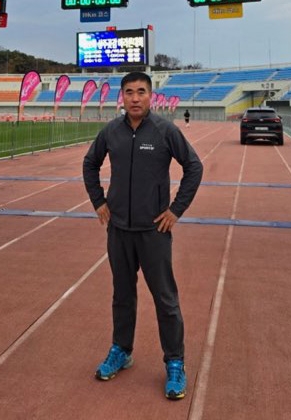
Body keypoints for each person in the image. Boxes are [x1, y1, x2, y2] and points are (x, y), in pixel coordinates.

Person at [83, 72, 203, 400]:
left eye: (141, 92)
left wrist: (176, 209)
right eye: (129, 92)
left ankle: (175, 362)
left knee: (165, 299)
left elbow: (194, 167)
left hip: (154, 231)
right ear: (121, 97)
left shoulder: (165, 131)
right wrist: (99, 201)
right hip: (119, 230)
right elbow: (90, 163)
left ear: (151, 96)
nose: (135, 98)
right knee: (122, 295)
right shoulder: (111, 131)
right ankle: (121, 350)